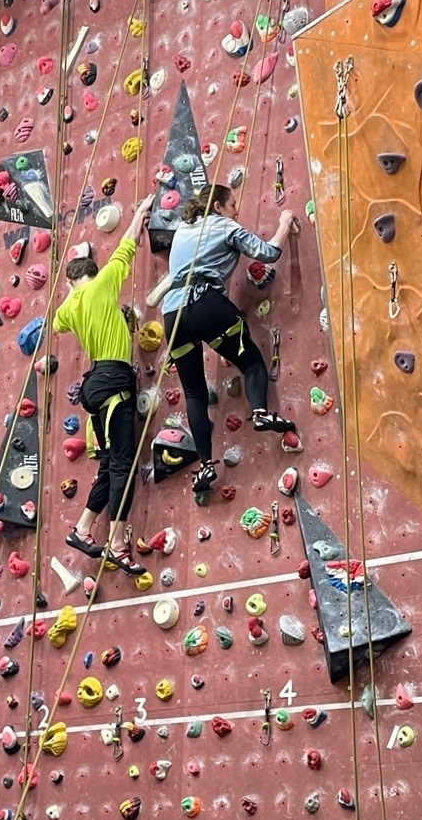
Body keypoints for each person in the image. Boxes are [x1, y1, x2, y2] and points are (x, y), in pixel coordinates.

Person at [160, 181, 298, 498]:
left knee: (194, 393)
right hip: (207, 304)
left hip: (173, 315)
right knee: (250, 361)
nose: (237, 209)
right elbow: (269, 253)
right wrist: (284, 223)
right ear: (219, 206)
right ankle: (260, 412)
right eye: (233, 204)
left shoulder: (182, 230)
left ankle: (207, 464)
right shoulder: (225, 225)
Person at [54, 194, 155, 574]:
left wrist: (70, 291)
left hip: (96, 385)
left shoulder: (70, 305)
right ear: (91, 274)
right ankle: (115, 540)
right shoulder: (100, 285)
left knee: (110, 463)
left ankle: (82, 528)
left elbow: (58, 322)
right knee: (123, 465)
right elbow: (126, 247)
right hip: (113, 379)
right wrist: (140, 212)